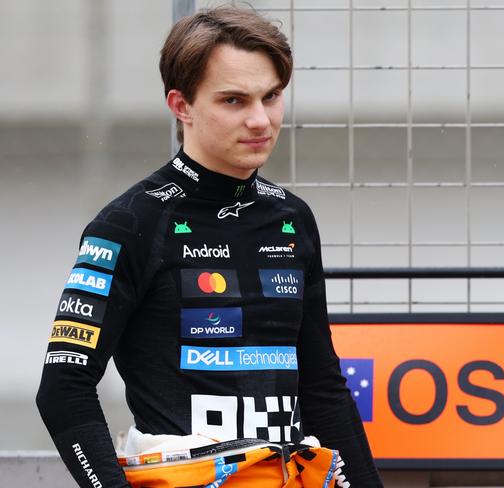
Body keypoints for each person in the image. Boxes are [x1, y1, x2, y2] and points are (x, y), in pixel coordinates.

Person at [36, 6, 383, 487]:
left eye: (272, 96)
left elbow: (322, 387)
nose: (261, 120)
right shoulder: (129, 223)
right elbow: (63, 388)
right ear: (181, 106)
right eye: (234, 101)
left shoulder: (292, 218)